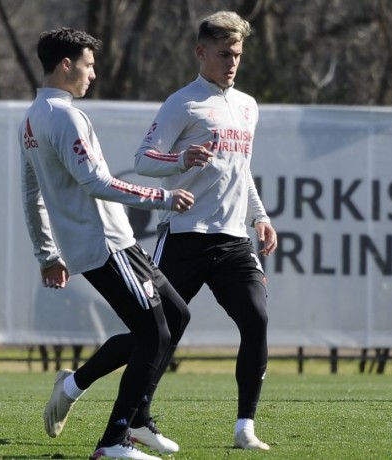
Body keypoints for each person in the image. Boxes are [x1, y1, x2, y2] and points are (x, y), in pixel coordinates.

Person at [20, 28, 195, 460]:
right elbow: (96, 182)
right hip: (105, 243)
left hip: (109, 242)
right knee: (154, 335)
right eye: (89, 64)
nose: (93, 74)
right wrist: (164, 197)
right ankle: (114, 441)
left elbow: (31, 193)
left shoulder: (31, 119)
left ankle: (113, 406)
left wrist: (48, 255)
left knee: (175, 314)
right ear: (66, 65)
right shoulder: (65, 116)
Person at [133, 11, 277, 451]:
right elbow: (142, 160)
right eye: (223, 53)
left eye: (237, 54)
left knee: (257, 320)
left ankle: (244, 428)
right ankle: (135, 417)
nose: (232, 62)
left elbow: (242, 171)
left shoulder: (248, 105)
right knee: (160, 330)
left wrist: (260, 216)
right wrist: (180, 160)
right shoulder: (183, 103)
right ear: (200, 52)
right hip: (186, 234)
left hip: (233, 239)